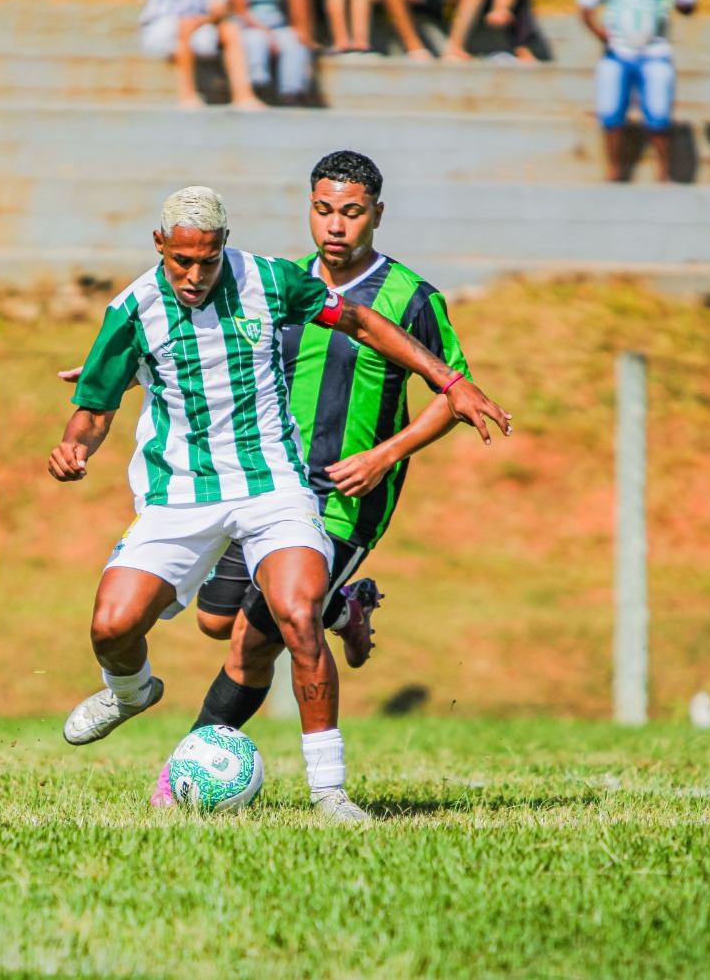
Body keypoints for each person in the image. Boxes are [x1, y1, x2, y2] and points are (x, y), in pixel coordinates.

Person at [49, 186, 510, 822]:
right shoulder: (131, 311)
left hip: (274, 486)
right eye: (182, 261)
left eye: (208, 260)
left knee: (295, 615)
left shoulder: (270, 280)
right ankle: (129, 692)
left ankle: (330, 792)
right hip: (179, 494)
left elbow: (360, 319)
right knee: (114, 624)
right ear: (160, 247)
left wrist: (450, 380)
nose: (195, 275)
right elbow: (92, 413)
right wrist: (74, 449)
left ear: (224, 246)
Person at [157, 152, 476, 805]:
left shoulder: (411, 299)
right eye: (324, 210)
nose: (336, 226)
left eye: (352, 213)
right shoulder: (282, 285)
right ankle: (343, 604)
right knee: (216, 622)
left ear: (377, 216)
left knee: (256, 636)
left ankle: (183, 780)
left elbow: (455, 394)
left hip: (346, 495)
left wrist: (383, 456)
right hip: (271, 486)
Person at [577, 0, 698, 182]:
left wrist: (681, 4)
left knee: (658, 113)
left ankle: (663, 171)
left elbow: (689, 3)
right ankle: (614, 169)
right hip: (617, 53)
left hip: (655, 52)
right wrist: (599, 33)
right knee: (610, 112)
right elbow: (585, 5)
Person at [135, 0, 264, 112]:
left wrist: (201, 21)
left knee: (230, 29)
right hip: (161, 28)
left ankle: (243, 95)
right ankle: (186, 95)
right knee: (183, 25)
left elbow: (218, 8)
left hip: (199, 28)